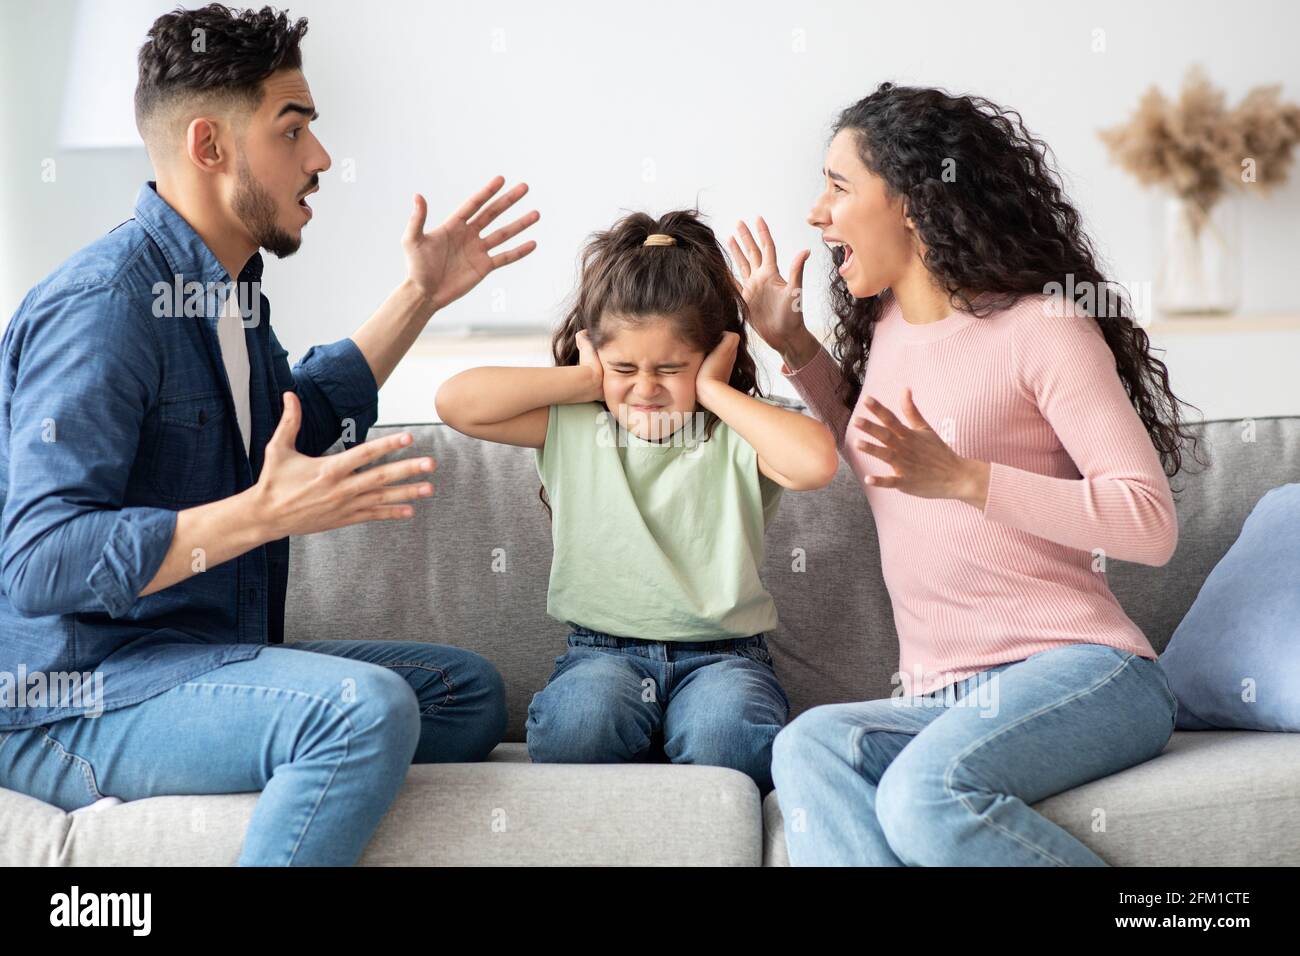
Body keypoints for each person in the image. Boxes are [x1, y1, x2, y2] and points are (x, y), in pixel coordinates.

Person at [0, 3, 539, 866]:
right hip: (74, 702)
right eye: (295, 132)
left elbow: (296, 417)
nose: (321, 160)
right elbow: (39, 560)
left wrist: (422, 297)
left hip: (197, 665)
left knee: (464, 692)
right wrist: (259, 515)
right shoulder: (103, 307)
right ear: (210, 146)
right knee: (362, 709)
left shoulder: (231, 294)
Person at [735, 81, 1204, 865]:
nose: (816, 212)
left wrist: (968, 479)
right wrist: (799, 350)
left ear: (914, 202)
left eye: (839, 186)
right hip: (941, 696)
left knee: (922, 795)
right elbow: (889, 462)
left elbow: (1148, 524)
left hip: (1085, 672)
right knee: (812, 745)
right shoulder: (885, 330)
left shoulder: (1044, 328)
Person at [435, 209, 839, 796]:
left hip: (724, 658)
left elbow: (817, 462)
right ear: (596, 355)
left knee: (727, 737)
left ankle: (672, 736)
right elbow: (456, 402)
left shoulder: (734, 437)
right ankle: (646, 736)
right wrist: (581, 383)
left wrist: (714, 394)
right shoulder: (573, 425)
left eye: (671, 369)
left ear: (712, 356)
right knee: (579, 728)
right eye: (624, 367)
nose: (646, 388)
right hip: (603, 654)